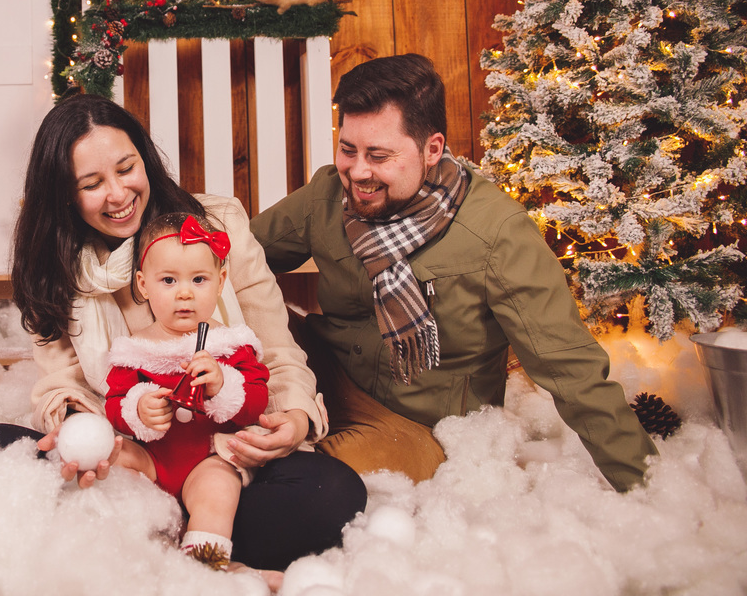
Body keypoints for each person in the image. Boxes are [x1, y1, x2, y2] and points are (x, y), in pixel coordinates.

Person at [250, 53, 658, 492]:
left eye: (380, 155)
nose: (358, 171)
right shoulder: (328, 194)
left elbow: (572, 369)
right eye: (348, 149)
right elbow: (230, 259)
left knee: (294, 481)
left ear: (432, 149)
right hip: (320, 371)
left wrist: (652, 490)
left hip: (413, 426)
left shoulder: (498, 234)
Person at [3, 93, 367, 571]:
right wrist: (80, 430)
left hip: (222, 452)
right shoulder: (55, 265)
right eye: (92, 183)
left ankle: (167, 549)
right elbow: (64, 383)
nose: (117, 194)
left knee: (333, 493)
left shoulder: (218, 224)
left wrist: (296, 418)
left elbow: (276, 351)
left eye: (126, 168)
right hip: (127, 454)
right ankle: (176, 544)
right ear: (65, 195)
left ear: (146, 161)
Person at [106, 212, 269, 568]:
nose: (184, 293)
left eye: (199, 279)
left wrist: (223, 384)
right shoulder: (134, 350)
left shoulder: (231, 345)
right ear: (143, 284)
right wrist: (137, 409)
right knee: (109, 458)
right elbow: (115, 404)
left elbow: (256, 401)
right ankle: (135, 556)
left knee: (218, 490)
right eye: (168, 280)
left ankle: (203, 566)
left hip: (206, 457)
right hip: (153, 458)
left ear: (221, 281)